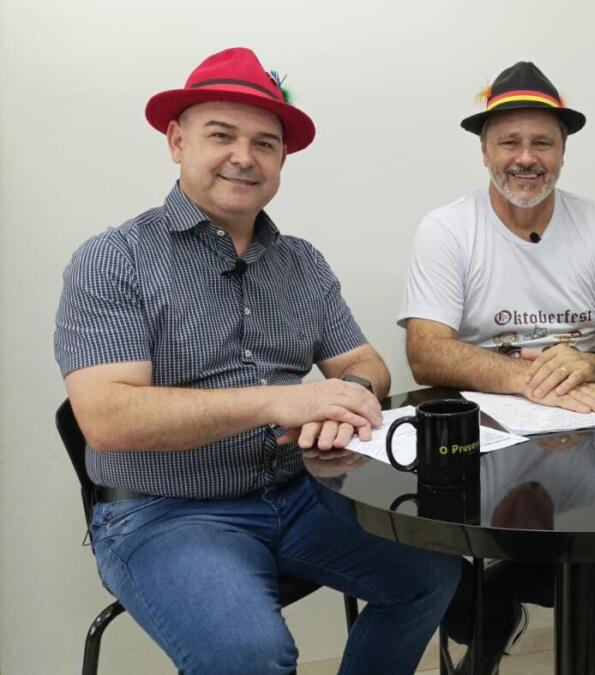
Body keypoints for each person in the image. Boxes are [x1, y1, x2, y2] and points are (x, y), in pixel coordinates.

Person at [54, 47, 459, 675]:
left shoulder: (302, 261)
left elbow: (366, 361)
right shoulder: (114, 258)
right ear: (177, 141)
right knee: (251, 655)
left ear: (281, 161)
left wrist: (347, 393)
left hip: (298, 494)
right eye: (221, 135)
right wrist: (282, 400)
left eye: (265, 143)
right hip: (163, 510)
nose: (244, 157)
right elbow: (107, 417)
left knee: (433, 573)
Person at [397, 61, 595, 674]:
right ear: (485, 151)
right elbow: (426, 351)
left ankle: (499, 598)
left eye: (542, 143)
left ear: (563, 152)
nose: (526, 158)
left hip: (585, 420)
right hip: (481, 427)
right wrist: (532, 379)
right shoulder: (447, 228)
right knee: (432, 550)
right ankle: (488, 611)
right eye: (509, 142)